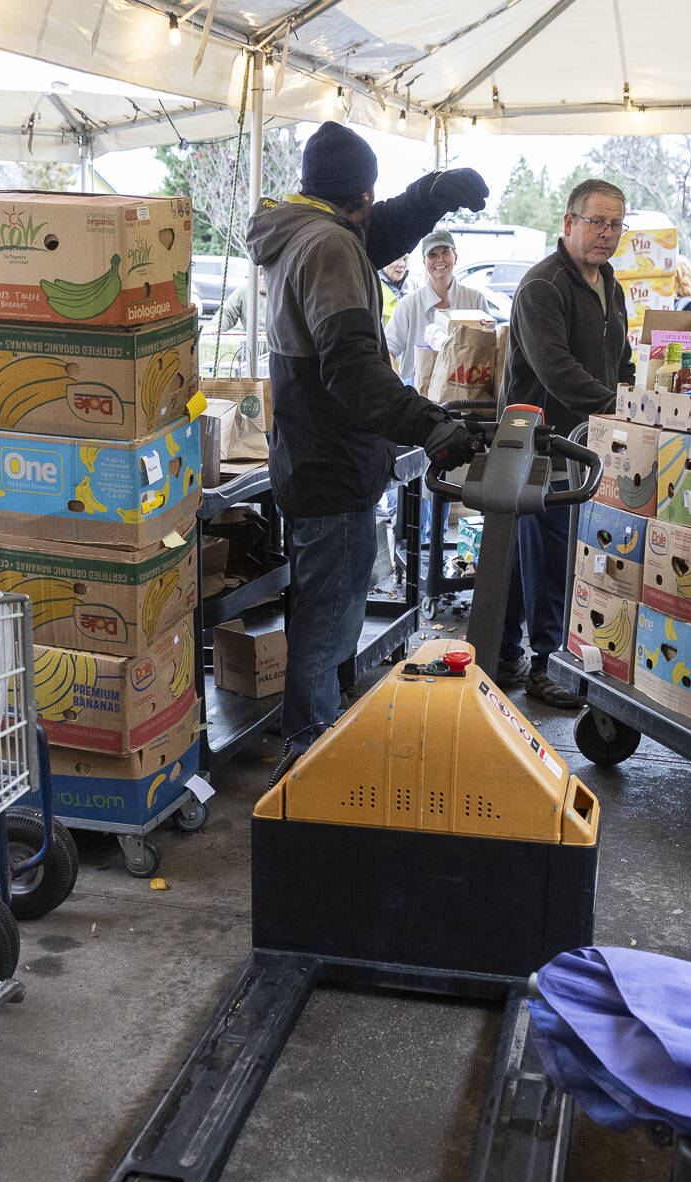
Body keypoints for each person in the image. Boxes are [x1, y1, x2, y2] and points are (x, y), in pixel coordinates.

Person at [246, 121, 491, 775]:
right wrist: (429, 423)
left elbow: (375, 230)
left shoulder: (308, 227)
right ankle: (311, 755)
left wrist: (432, 193)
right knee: (327, 622)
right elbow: (352, 370)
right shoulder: (327, 245)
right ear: (361, 191)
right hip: (332, 460)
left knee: (323, 607)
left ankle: (315, 731)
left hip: (313, 455)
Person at [498, 177, 636, 711]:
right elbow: (558, 371)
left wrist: (630, 399)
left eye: (616, 224)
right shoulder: (543, 287)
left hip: (586, 440)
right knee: (549, 555)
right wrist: (617, 407)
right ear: (569, 224)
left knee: (523, 555)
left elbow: (618, 361)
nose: (606, 234)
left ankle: (505, 652)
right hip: (542, 441)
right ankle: (546, 662)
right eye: (596, 222)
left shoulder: (609, 285)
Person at [384, 230, 488, 387]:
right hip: (418, 400)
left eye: (445, 252)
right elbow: (387, 350)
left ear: (456, 257)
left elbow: (488, 349)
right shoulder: (409, 305)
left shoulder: (475, 300)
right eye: (432, 255)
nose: (440, 259)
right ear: (424, 262)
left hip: (465, 397)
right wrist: (400, 386)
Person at [378, 255, 410, 323]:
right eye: (397, 258)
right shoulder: (374, 285)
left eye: (405, 259)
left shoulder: (413, 285)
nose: (402, 264)